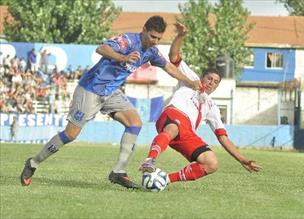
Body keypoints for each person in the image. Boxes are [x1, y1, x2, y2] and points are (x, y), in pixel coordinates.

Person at [20, 15, 202, 189]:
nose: (155, 41)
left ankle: (118, 171)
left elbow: (169, 67)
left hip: (111, 92)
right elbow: (101, 49)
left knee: (135, 123)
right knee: (71, 134)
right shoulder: (128, 41)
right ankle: (33, 162)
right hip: (91, 89)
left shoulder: (151, 52)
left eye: (158, 38)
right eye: (152, 36)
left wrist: (190, 82)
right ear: (144, 30)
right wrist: (123, 57)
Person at [139, 23, 262, 185]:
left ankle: (164, 180)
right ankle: (150, 160)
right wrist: (181, 35)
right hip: (173, 116)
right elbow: (174, 57)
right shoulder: (191, 80)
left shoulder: (212, 107)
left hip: (187, 131)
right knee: (174, 127)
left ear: (217, 86)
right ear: (203, 77)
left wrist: (241, 159)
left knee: (211, 163)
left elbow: (223, 137)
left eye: (215, 82)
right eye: (209, 78)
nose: (211, 83)